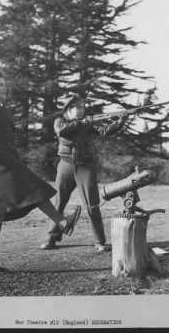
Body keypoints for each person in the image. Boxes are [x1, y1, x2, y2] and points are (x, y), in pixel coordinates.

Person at [0, 70, 81, 273]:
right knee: (32, 189)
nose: (4, 87)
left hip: (6, 161)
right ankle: (63, 222)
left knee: (1, 212)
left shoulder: (1, 109)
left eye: (4, 84)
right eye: (0, 84)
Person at [41, 94, 126, 252]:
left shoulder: (86, 123)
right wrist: (83, 123)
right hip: (65, 165)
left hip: (85, 166)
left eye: (83, 107)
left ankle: (99, 241)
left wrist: (120, 121)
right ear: (68, 109)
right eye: (78, 107)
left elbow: (104, 131)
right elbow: (62, 131)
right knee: (59, 204)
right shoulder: (60, 122)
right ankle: (51, 238)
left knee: (92, 205)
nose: (82, 110)